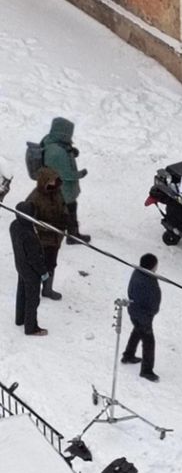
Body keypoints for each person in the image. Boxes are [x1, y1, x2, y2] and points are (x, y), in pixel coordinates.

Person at [42, 117, 90, 244]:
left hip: (55, 186)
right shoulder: (57, 152)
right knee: (70, 209)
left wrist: (71, 152)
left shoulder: (51, 141)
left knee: (64, 210)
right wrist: (81, 174)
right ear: (63, 132)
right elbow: (66, 174)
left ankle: (67, 234)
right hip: (63, 189)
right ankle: (72, 236)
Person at [26, 167, 67, 300]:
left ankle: (47, 289)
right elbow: (30, 220)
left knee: (51, 263)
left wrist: (66, 219)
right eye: (51, 181)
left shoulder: (57, 193)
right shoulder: (35, 198)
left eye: (55, 181)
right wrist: (49, 227)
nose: (54, 183)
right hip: (41, 239)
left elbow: (63, 207)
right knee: (39, 265)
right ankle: (34, 289)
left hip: (56, 238)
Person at [9, 201, 50, 336]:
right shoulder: (29, 235)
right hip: (31, 271)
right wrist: (43, 272)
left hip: (20, 265)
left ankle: (20, 319)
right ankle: (31, 327)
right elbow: (34, 259)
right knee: (32, 299)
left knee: (21, 293)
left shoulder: (14, 226)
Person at [121, 253, 161, 382]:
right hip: (144, 315)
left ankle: (128, 354)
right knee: (149, 342)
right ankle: (146, 370)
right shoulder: (147, 281)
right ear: (152, 266)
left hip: (134, 311)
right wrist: (152, 312)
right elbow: (152, 300)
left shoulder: (137, 272)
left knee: (137, 331)